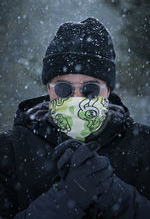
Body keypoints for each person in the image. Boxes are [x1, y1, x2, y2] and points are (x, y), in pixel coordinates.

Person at [0, 17, 150, 219]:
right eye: (64, 88)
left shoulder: (142, 146)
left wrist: (115, 194)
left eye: (90, 89)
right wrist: (66, 198)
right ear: (48, 89)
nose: (77, 99)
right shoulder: (11, 150)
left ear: (107, 91)